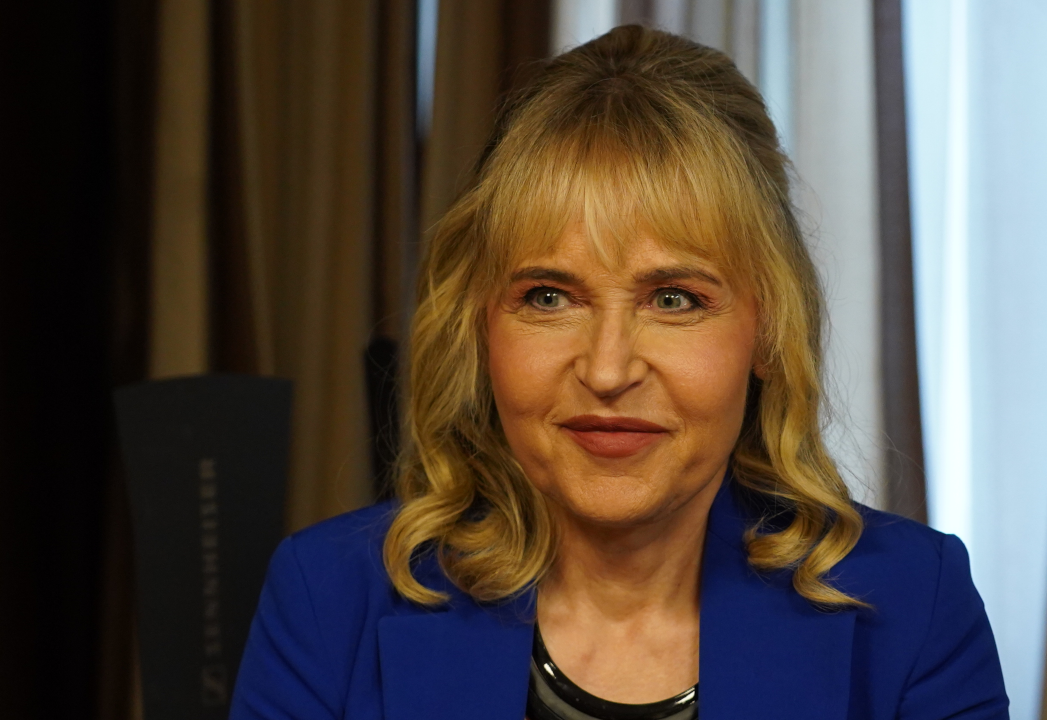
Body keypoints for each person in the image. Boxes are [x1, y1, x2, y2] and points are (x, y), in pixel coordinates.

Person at [230, 25, 1007, 720]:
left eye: (674, 299)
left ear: (770, 330)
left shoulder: (915, 608)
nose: (607, 371)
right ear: (479, 325)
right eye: (548, 296)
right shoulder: (327, 602)